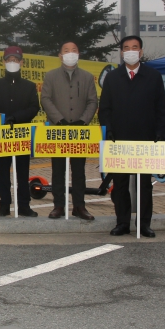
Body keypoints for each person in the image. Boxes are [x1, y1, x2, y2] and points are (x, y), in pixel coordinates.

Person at [98, 35, 165, 237]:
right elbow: (105, 109)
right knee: (119, 185)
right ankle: (122, 222)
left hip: (145, 140)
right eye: (126, 47)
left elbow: (161, 108)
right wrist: (108, 129)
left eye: (135, 47)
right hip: (119, 140)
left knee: (144, 185)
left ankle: (144, 224)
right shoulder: (112, 78)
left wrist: (159, 132)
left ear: (141, 51)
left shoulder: (153, 76)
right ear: (121, 52)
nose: (130, 51)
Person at [40, 42, 98, 221]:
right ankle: (58, 206)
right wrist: (59, 120)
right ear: (60, 55)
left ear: (79, 54)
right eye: (66, 51)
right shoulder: (51, 76)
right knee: (58, 170)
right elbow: (46, 99)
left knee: (79, 171)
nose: (70, 54)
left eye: (74, 50)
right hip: (58, 131)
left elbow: (92, 101)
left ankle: (79, 206)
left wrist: (83, 121)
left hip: (80, 132)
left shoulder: (88, 77)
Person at [0, 46, 41, 217]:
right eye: (9, 60)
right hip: (2, 136)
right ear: (3, 62)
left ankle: (24, 205)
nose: (12, 63)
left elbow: (34, 108)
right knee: (3, 173)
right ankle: (4, 205)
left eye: (15, 60)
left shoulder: (30, 86)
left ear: (21, 62)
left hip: (22, 135)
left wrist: (15, 118)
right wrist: (1, 121)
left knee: (22, 173)